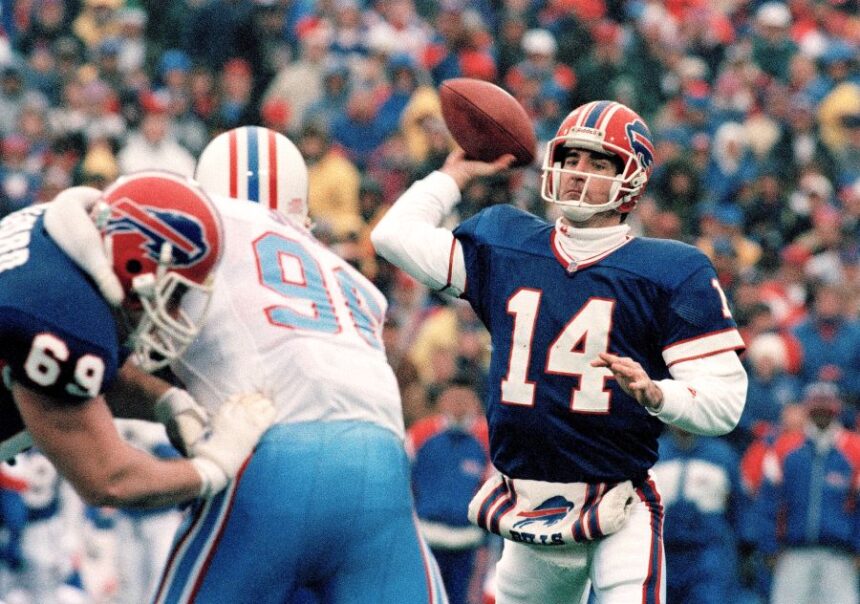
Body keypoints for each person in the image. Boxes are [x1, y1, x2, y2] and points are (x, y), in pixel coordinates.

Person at [372, 99, 748, 603]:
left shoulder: (671, 270)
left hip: (618, 500)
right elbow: (392, 237)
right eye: (571, 158)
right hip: (528, 500)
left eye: (598, 163)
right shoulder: (508, 241)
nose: (577, 173)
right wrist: (452, 175)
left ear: (631, 180)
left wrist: (656, 394)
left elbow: (725, 405)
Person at [60, 126, 448, 603]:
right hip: (383, 465)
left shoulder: (202, 224)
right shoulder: (353, 281)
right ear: (299, 209)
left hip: (274, 454)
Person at [0, 171, 276, 512]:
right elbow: (108, 479)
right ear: (131, 263)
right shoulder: (55, 322)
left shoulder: (53, 237)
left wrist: (167, 402)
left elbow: (80, 381)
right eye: (175, 294)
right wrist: (212, 466)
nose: (175, 316)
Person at [754, 382, 860, 604]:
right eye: (816, 406)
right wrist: (770, 546)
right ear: (807, 408)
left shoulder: (854, 450)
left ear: (837, 408)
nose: (821, 411)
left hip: (840, 556)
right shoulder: (785, 448)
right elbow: (768, 501)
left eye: (826, 406)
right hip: (793, 554)